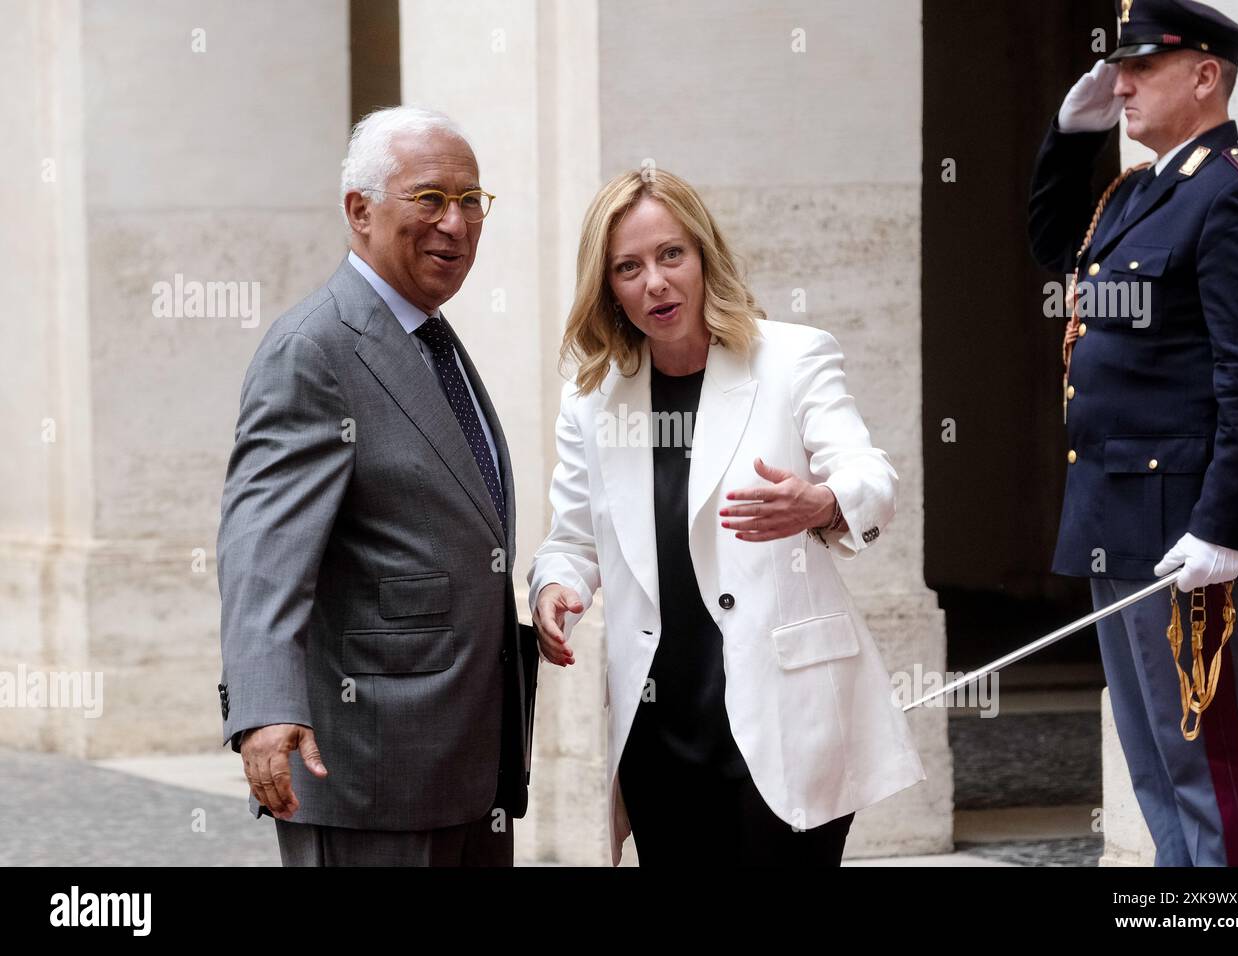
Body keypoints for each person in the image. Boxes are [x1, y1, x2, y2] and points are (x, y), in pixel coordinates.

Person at [527, 168, 924, 866]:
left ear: (704, 256)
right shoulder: (592, 402)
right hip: (659, 728)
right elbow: (573, 541)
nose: (655, 281)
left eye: (671, 255)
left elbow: (871, 476)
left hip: (784, 715)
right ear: (608, 286)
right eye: (629, 266)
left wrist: (823, 502)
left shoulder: (792, 358)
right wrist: (556, 586)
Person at [217, 107, 538, 866]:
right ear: (359, 211)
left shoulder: (428, 333)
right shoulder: (315, 349)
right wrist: (265, 710)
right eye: (429, 199)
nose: (455, 225)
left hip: (468, 766)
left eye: (470, 201)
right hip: (369, 774)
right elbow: (262, 549)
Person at [1028, 0, 1238, 865]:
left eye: (1142, 66)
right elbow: (1050, 246)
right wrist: (1072, 139)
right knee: (1150, 759)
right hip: (1112, 509)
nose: (1122, 81)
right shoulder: (1140, 190)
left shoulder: (1233, 196)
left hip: (1182, 521)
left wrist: (1223, 528)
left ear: (1206, 74)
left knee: (1200, 755)